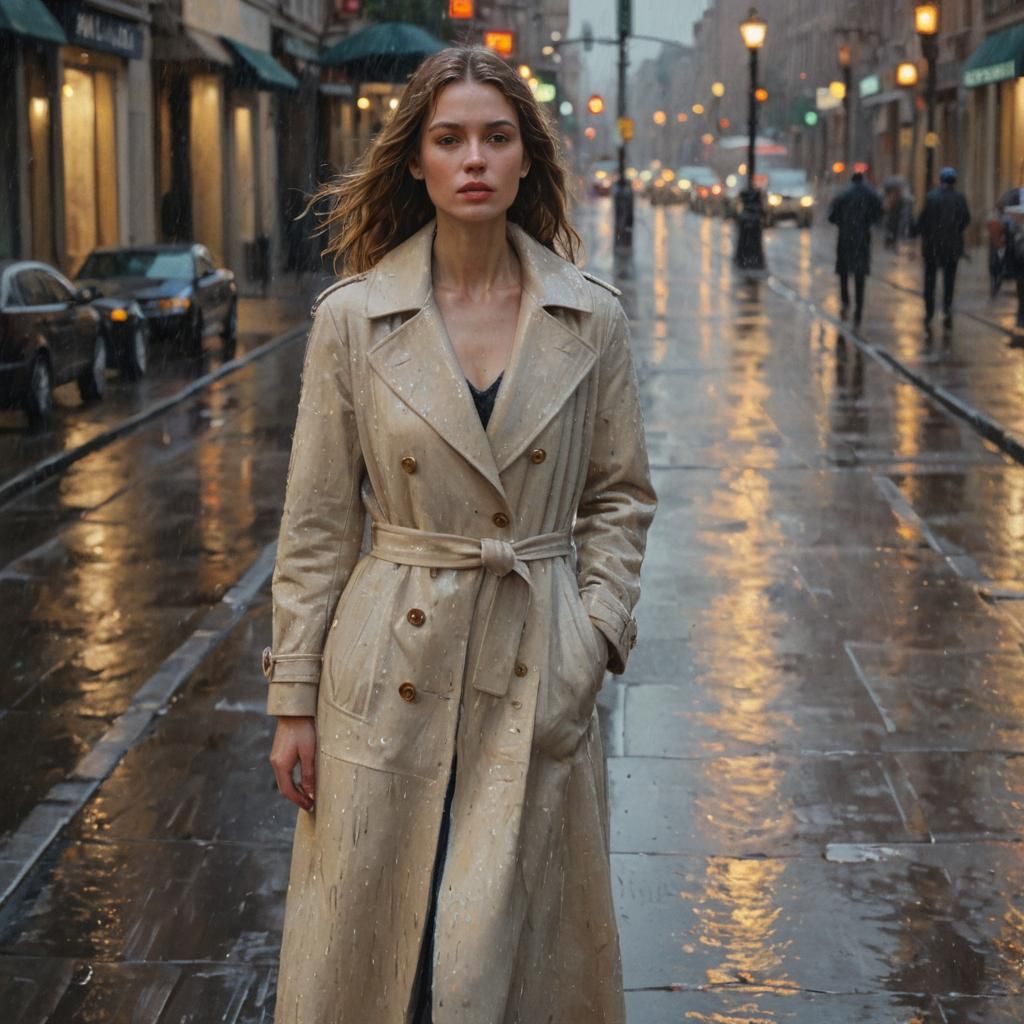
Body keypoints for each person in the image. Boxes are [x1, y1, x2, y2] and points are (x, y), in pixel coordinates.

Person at [264, 46, 656, 1024]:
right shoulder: (352, 321)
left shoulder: (590, 319)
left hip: (535, 664)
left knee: (509, 964)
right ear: (416, 162)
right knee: (383, 949)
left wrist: (590, 633)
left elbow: (619, 497)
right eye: (449, 139)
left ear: (527, 159)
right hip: (384, 672)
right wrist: (292, 703)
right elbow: (315, 528)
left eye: (495, 136)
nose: (473, 157)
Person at [915, 167, 971, 329]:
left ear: (941, 180)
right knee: (949, 280)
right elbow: (966, 219)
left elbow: (922, 220)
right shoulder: (959, 198)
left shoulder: (932, 197)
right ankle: (946, 308)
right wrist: (955, 231)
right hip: (952, 247)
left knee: (930, 281)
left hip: (932, 247)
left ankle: (929, 310)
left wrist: (922, 233)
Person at [828, 171, 883, 326]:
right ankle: (859, 306)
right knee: (860, 274)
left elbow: (831, 217)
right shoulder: (870, 194)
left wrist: (843, 223)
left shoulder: (843, 194)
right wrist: (867, 222)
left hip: (845, 237)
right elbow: (879, 214)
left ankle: (845, 301)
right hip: (862, 238)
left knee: (844, 272)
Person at [996, 184, 1024, 331]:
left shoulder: (1013, 217)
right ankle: (1021, 316)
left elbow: (1008, 230)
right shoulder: (1014, 218)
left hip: (1020, 257)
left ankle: (1021, 316)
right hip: (1020, 256)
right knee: (1021, 286)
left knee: (1021, 287)